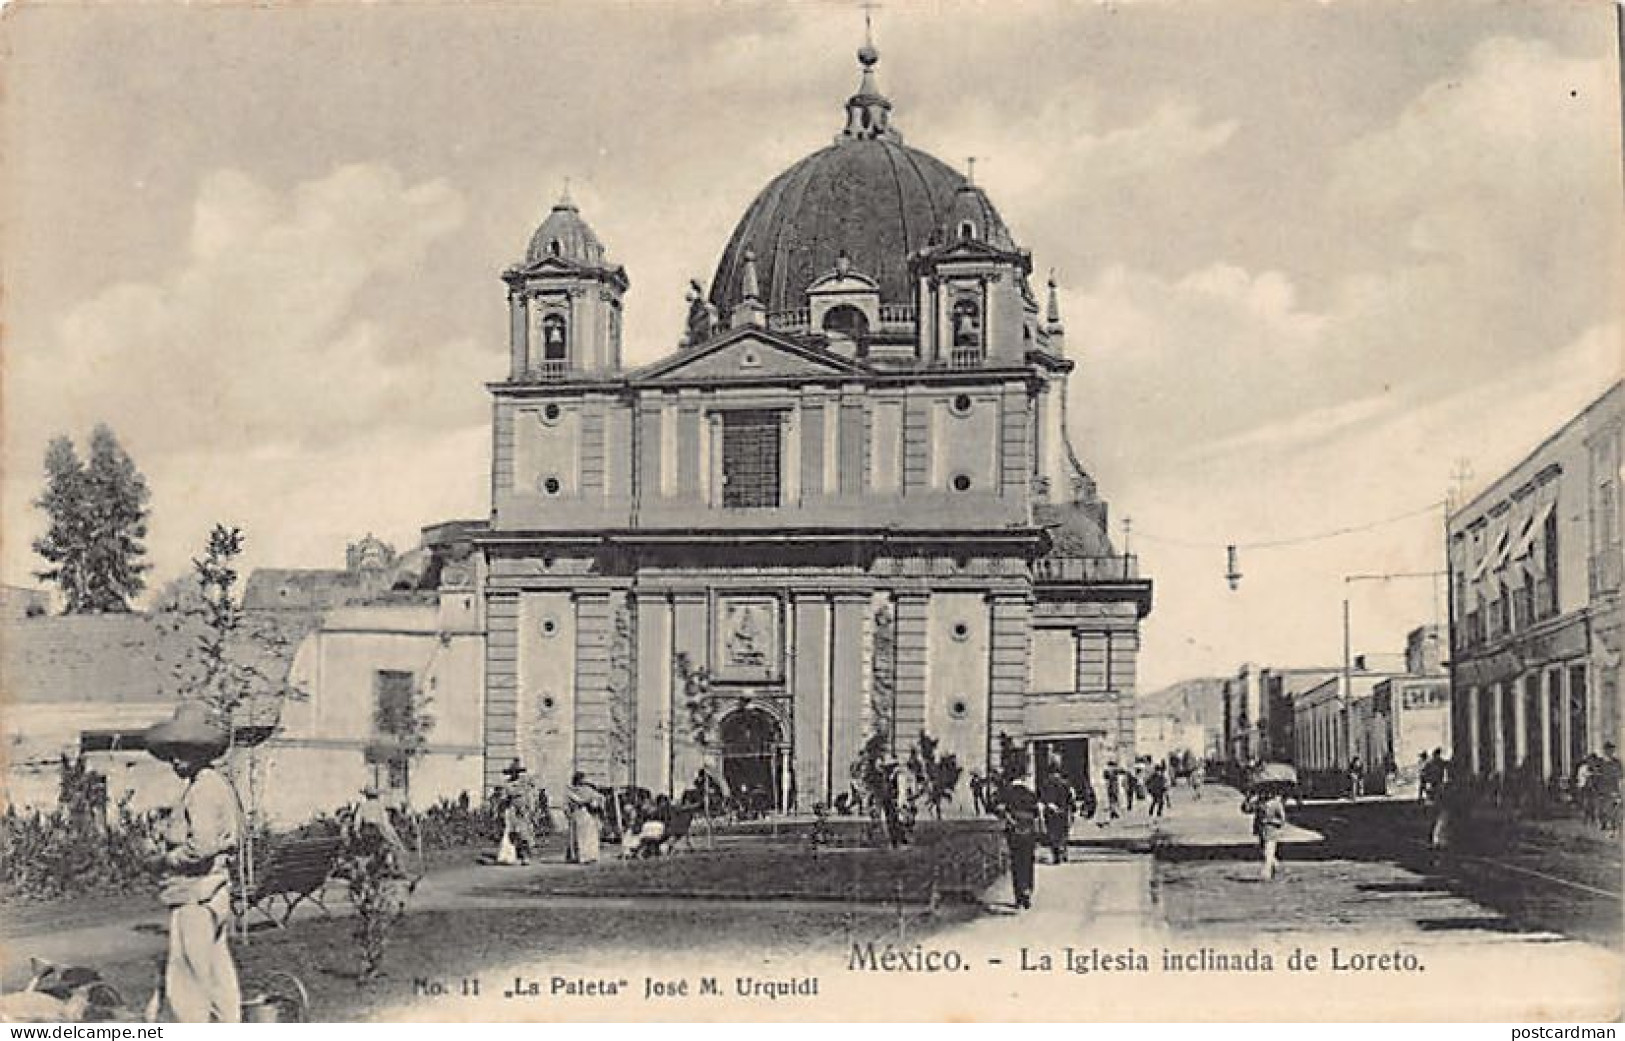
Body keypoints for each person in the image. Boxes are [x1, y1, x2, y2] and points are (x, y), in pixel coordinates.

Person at [144, 702, 242, 1023]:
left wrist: (165, 859)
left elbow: (202, 844)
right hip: (215, 889)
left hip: (195, 890)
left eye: (184, 751)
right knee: (215, 971)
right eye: (173, 751)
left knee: (187, 976)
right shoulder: (215, 784)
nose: (176, 759)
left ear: (202, 752)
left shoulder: (201, 790)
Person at [999, 777, 1041, 909]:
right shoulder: (1030, 793)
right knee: (1028, 861)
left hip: (1014, 831)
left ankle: (1018, 896)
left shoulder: (1007, 793)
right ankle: (1027, 890)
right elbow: (1036, 813)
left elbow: (999, 809)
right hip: (1028, 831)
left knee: (1016, 862)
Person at [1242, 782, 1288, 881]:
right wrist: (1248, 799)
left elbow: (1282, 820)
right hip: (1261, 830)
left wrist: (1270, 821)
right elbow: (1247, 809)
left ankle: (1266, 873)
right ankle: (1277, 867)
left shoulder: (1276, 804)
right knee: (1264, 851)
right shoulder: (1259, 803)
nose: (1265, 794)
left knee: (1268, 852)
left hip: (1272, 831)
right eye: (1263, 792)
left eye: (1268, 792)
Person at [499, 760, 540, 865]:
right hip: (512, 809)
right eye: (512, 772)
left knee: (525, 833)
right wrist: (503, 810)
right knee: (513, 833)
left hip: (523, 809)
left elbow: (530, 793)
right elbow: (504, 798)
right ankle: (516, 855)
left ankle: (526, 856)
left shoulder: (524, 783)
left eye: (516, 772)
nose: (514, 774)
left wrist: (530, 808)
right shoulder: (507, 784)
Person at [565, 772, 604, 865]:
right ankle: (588, 856)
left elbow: (566, 806)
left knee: (580, 836)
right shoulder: (587, 791)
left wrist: (568, 814)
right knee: (586, 836)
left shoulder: (571, 791)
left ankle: (581, 856)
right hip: (584, 814)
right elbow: (599, 799)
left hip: (579, 814)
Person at [1038, 771, 1074, 864]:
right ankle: (1063, 853)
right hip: (1063, 811)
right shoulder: (1065, 784)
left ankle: (1056, 854)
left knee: (1053, 833)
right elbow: (1071, 799)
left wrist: (1048, 805)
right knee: (1062, 833)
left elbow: (1042, 798)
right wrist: (1071, 809)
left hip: (1051, 812)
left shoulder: (1046, 784)